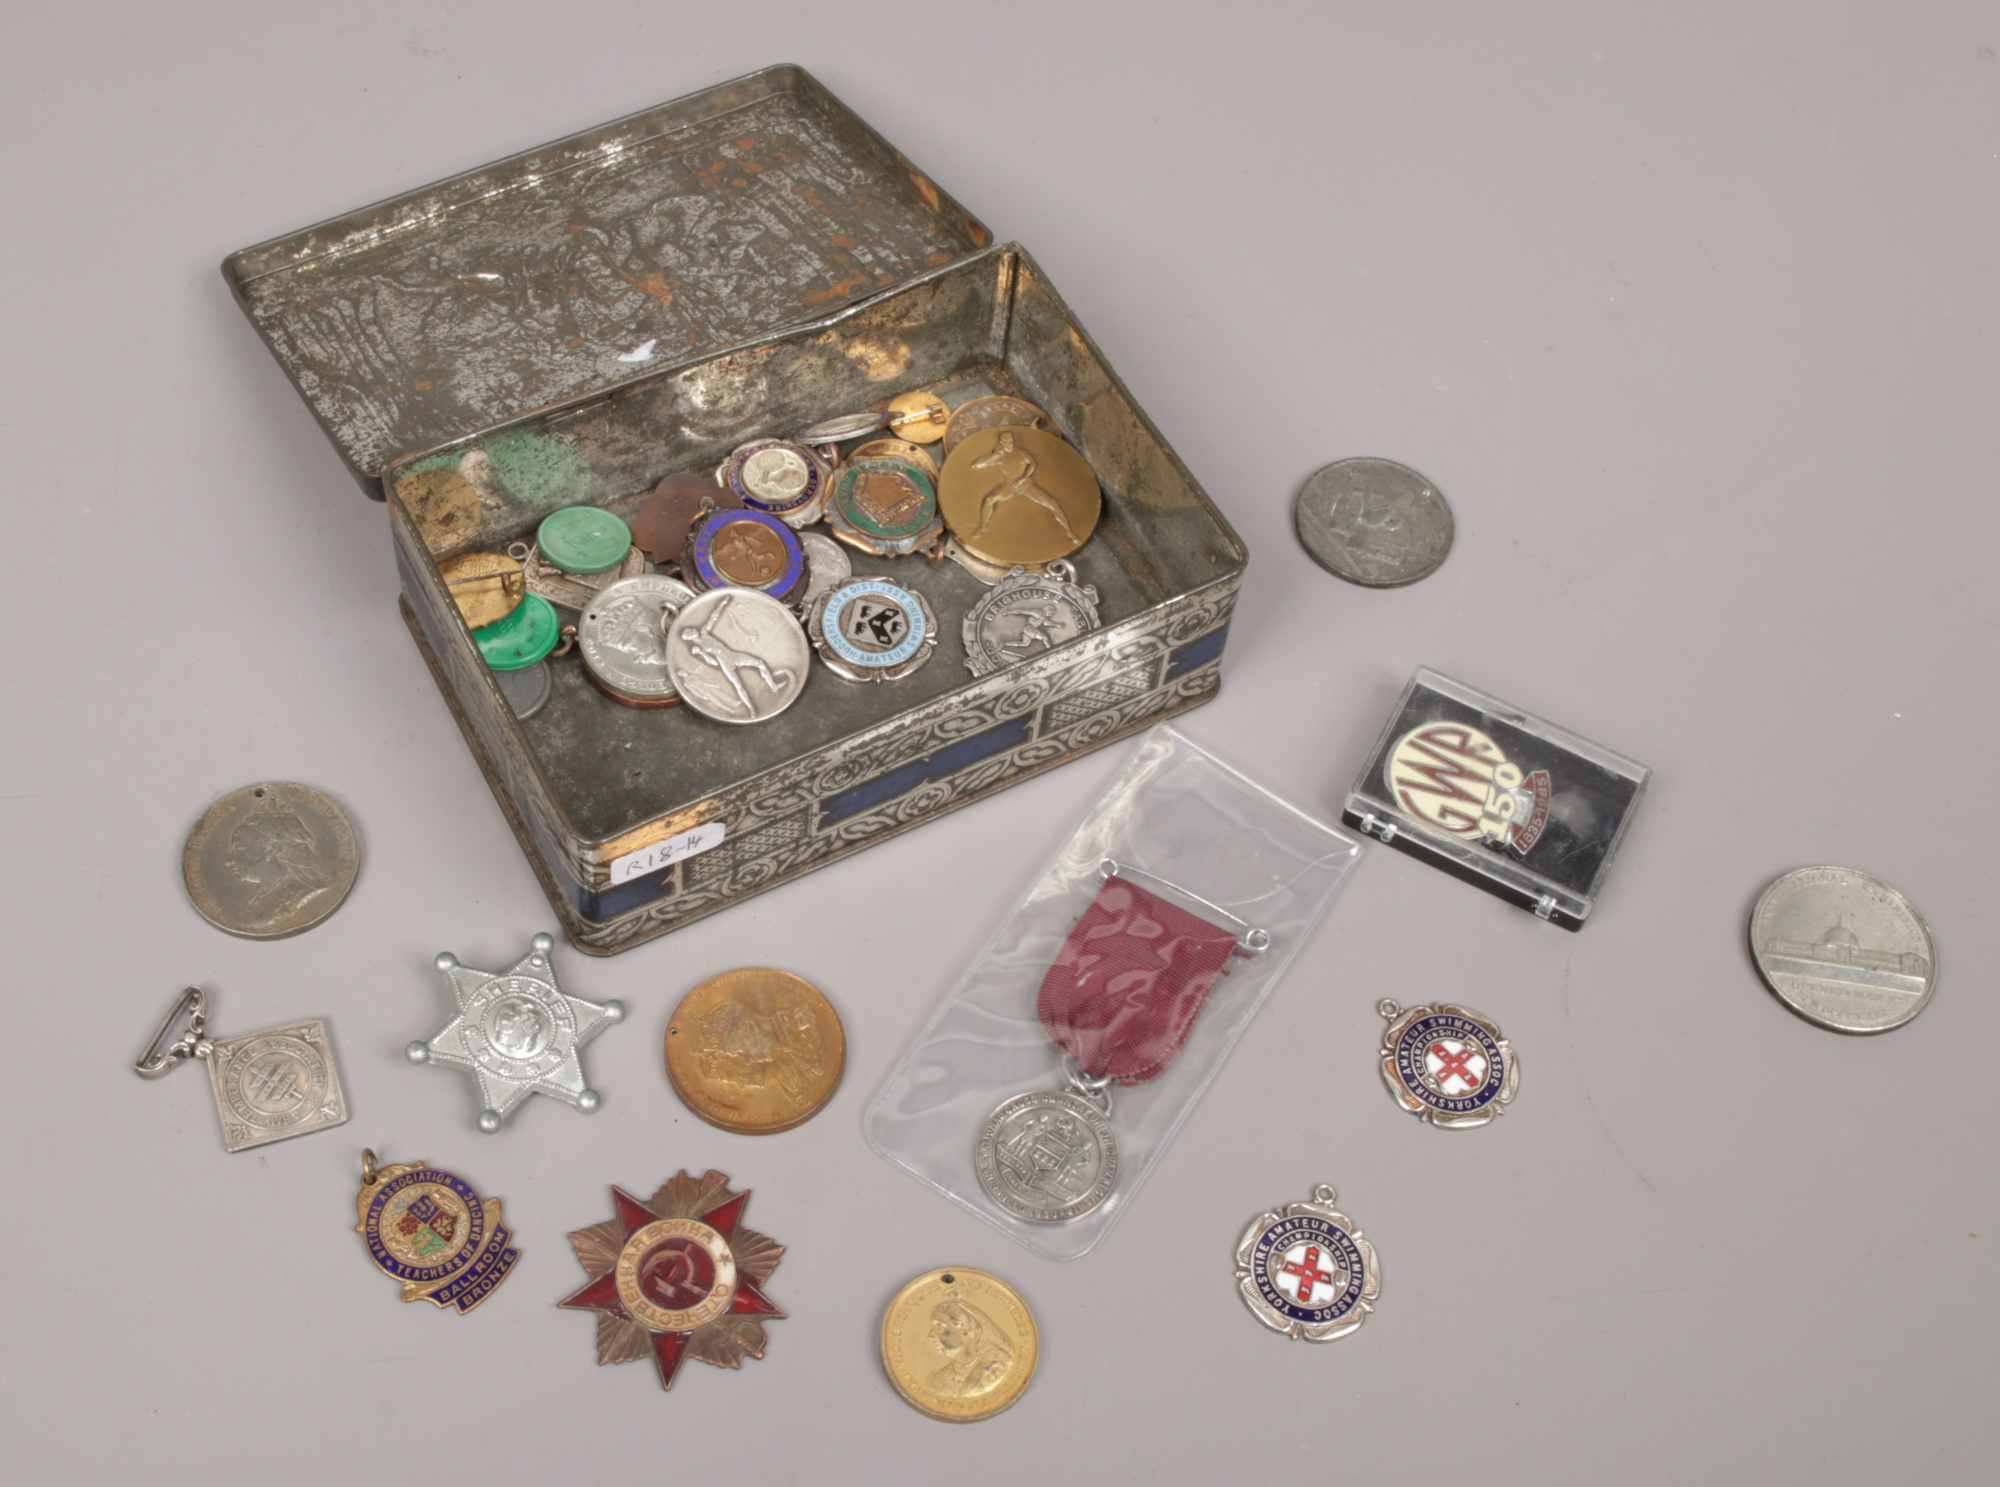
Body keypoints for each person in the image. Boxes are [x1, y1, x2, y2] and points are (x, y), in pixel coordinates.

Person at [926, 1297, 1014, 1400]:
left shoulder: (998, 1365)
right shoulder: (940, 1379)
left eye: (940, 1326)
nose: (931, 1334)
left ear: (965, 1328)